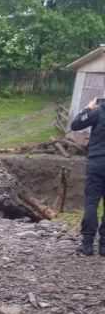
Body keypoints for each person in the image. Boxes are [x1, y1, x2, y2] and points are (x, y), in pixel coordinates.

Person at [70, 96, 105, 256]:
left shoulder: (98, 112)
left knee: (91, 202)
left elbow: (76, 124)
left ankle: (87, 244)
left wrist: (88, 108)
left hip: (96, 162)